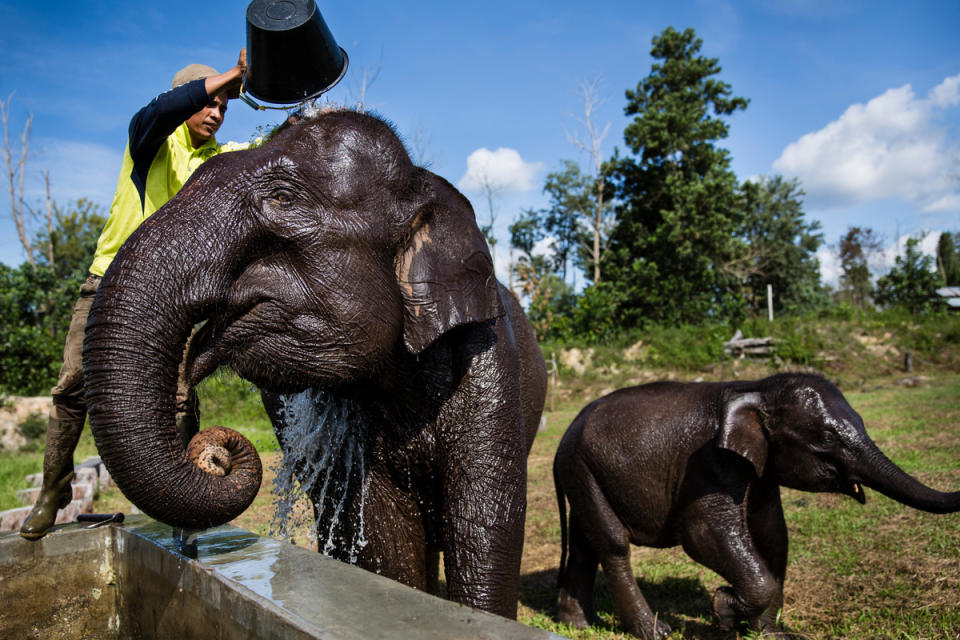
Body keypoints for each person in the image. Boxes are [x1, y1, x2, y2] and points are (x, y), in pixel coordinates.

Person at [20, 49, 250, 540]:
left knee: (180, 401)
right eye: (210, 101)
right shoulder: (150, 141)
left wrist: (301, 112)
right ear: (185, 100)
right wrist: (229, 75)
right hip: (108, 283)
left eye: (225, 106)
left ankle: (188, 504)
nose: (215, 112)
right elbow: (161, 109)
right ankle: (52, 492)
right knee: (73, 389)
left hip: (173, 298)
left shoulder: (219, 162)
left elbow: (268, 151)